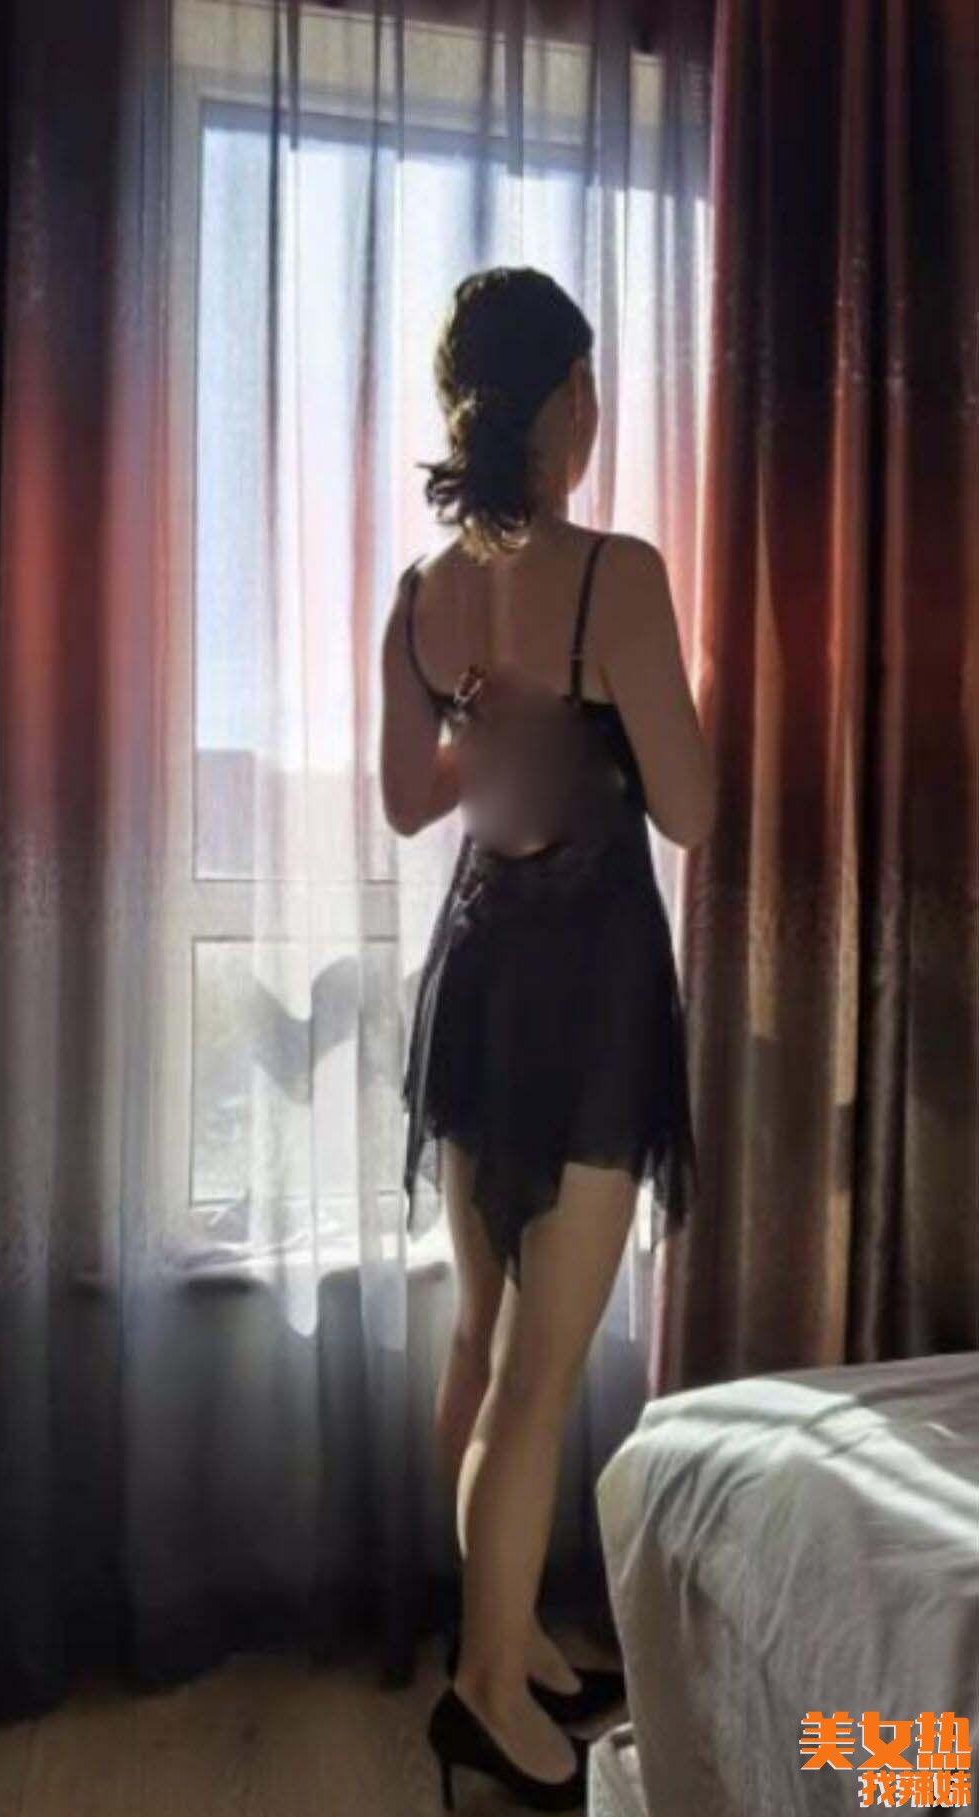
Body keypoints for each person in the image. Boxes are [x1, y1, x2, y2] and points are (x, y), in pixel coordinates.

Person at [379, 267, 716, 1811]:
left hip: (476, 976)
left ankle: (500, 1642)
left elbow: (413, 800)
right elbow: (691, 808)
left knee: (483, 1343)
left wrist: (495, 723)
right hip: (583, 994)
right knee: (538, 1376)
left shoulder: (423, 589)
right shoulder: (616, 574)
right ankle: (481, 1692)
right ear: (569, 398)